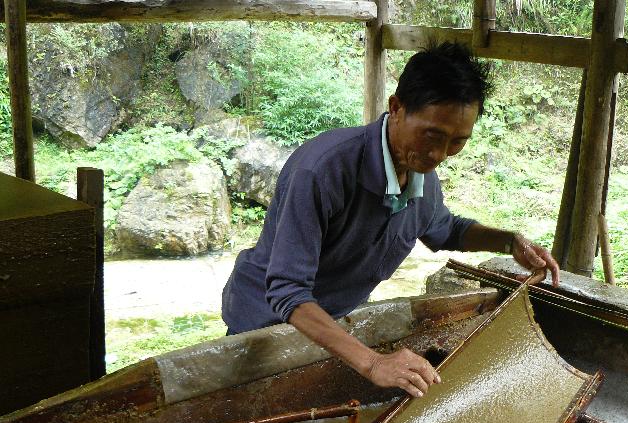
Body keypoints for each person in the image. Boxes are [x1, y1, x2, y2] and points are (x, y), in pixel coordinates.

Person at [222, 41, 559, 399]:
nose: (439, 155)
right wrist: (373, 363)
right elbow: (287, 291)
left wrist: (509, 241)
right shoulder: (321, 171)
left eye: (457, 142)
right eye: (432, 135)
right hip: (263, 325)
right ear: (396, 108)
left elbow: (445, 229)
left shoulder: (420, 174)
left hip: (332, 325)